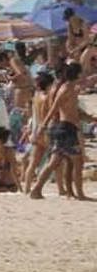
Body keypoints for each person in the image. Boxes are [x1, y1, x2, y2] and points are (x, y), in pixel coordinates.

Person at [30, 62, 89, 200]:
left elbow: (74, 110)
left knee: (56, 162)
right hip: (65, 129)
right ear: (78, 74)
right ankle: (80, 195)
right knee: (78, 162)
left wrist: (91, 118)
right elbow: (54, 108)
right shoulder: (66, 89)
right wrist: (41, 127)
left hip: (67, 128)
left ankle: (38, 189)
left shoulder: (72, 88)